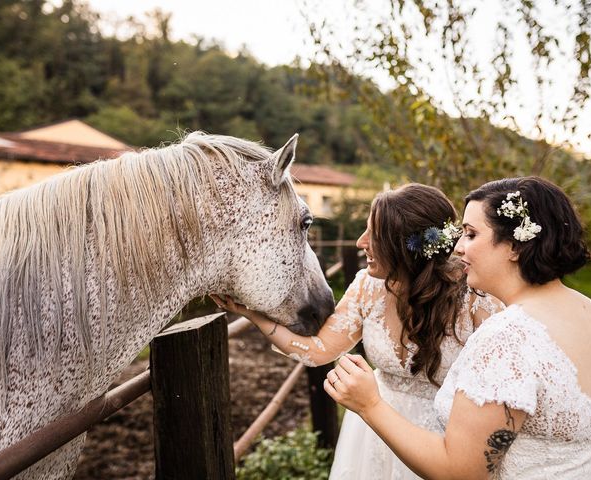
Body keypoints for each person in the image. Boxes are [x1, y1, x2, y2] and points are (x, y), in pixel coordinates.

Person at [325, 176, 591, 479]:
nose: (458, 248)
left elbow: (459, 472)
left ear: (515, 246)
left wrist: (370, 404)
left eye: (471, 235)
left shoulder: (508, 338)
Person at [212, 183, 502, 480]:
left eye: (374, 236)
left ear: (405, 247)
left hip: (443, 437)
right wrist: (252, 315)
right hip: (371, 432)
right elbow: (317, 351)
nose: (360, 243)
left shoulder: (477, 300)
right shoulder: (368, 286)